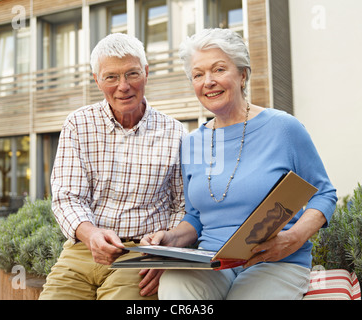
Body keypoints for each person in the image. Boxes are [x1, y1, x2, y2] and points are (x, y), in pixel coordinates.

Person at [141, 28, 338, 300]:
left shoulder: (283, 128)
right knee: (176, 286)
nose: (208, 81)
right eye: (198, 75)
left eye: (219, 69)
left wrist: (293, 239)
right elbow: (196, 217)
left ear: (242, 74)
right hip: (214, 262)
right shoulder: (192, 143)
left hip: (277, 262)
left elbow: (324, 193)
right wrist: (169, 239)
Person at [39, 33, 186, 300]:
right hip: (83, 248)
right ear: (97, 80)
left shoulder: (175, 132)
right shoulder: (78, 124)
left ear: (146, 73)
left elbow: (183, 204)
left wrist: (167, 250)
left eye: (132, 74)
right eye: (111, 77)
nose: (124, 86)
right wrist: (91, 234)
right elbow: (67, 197)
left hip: (141, 255)